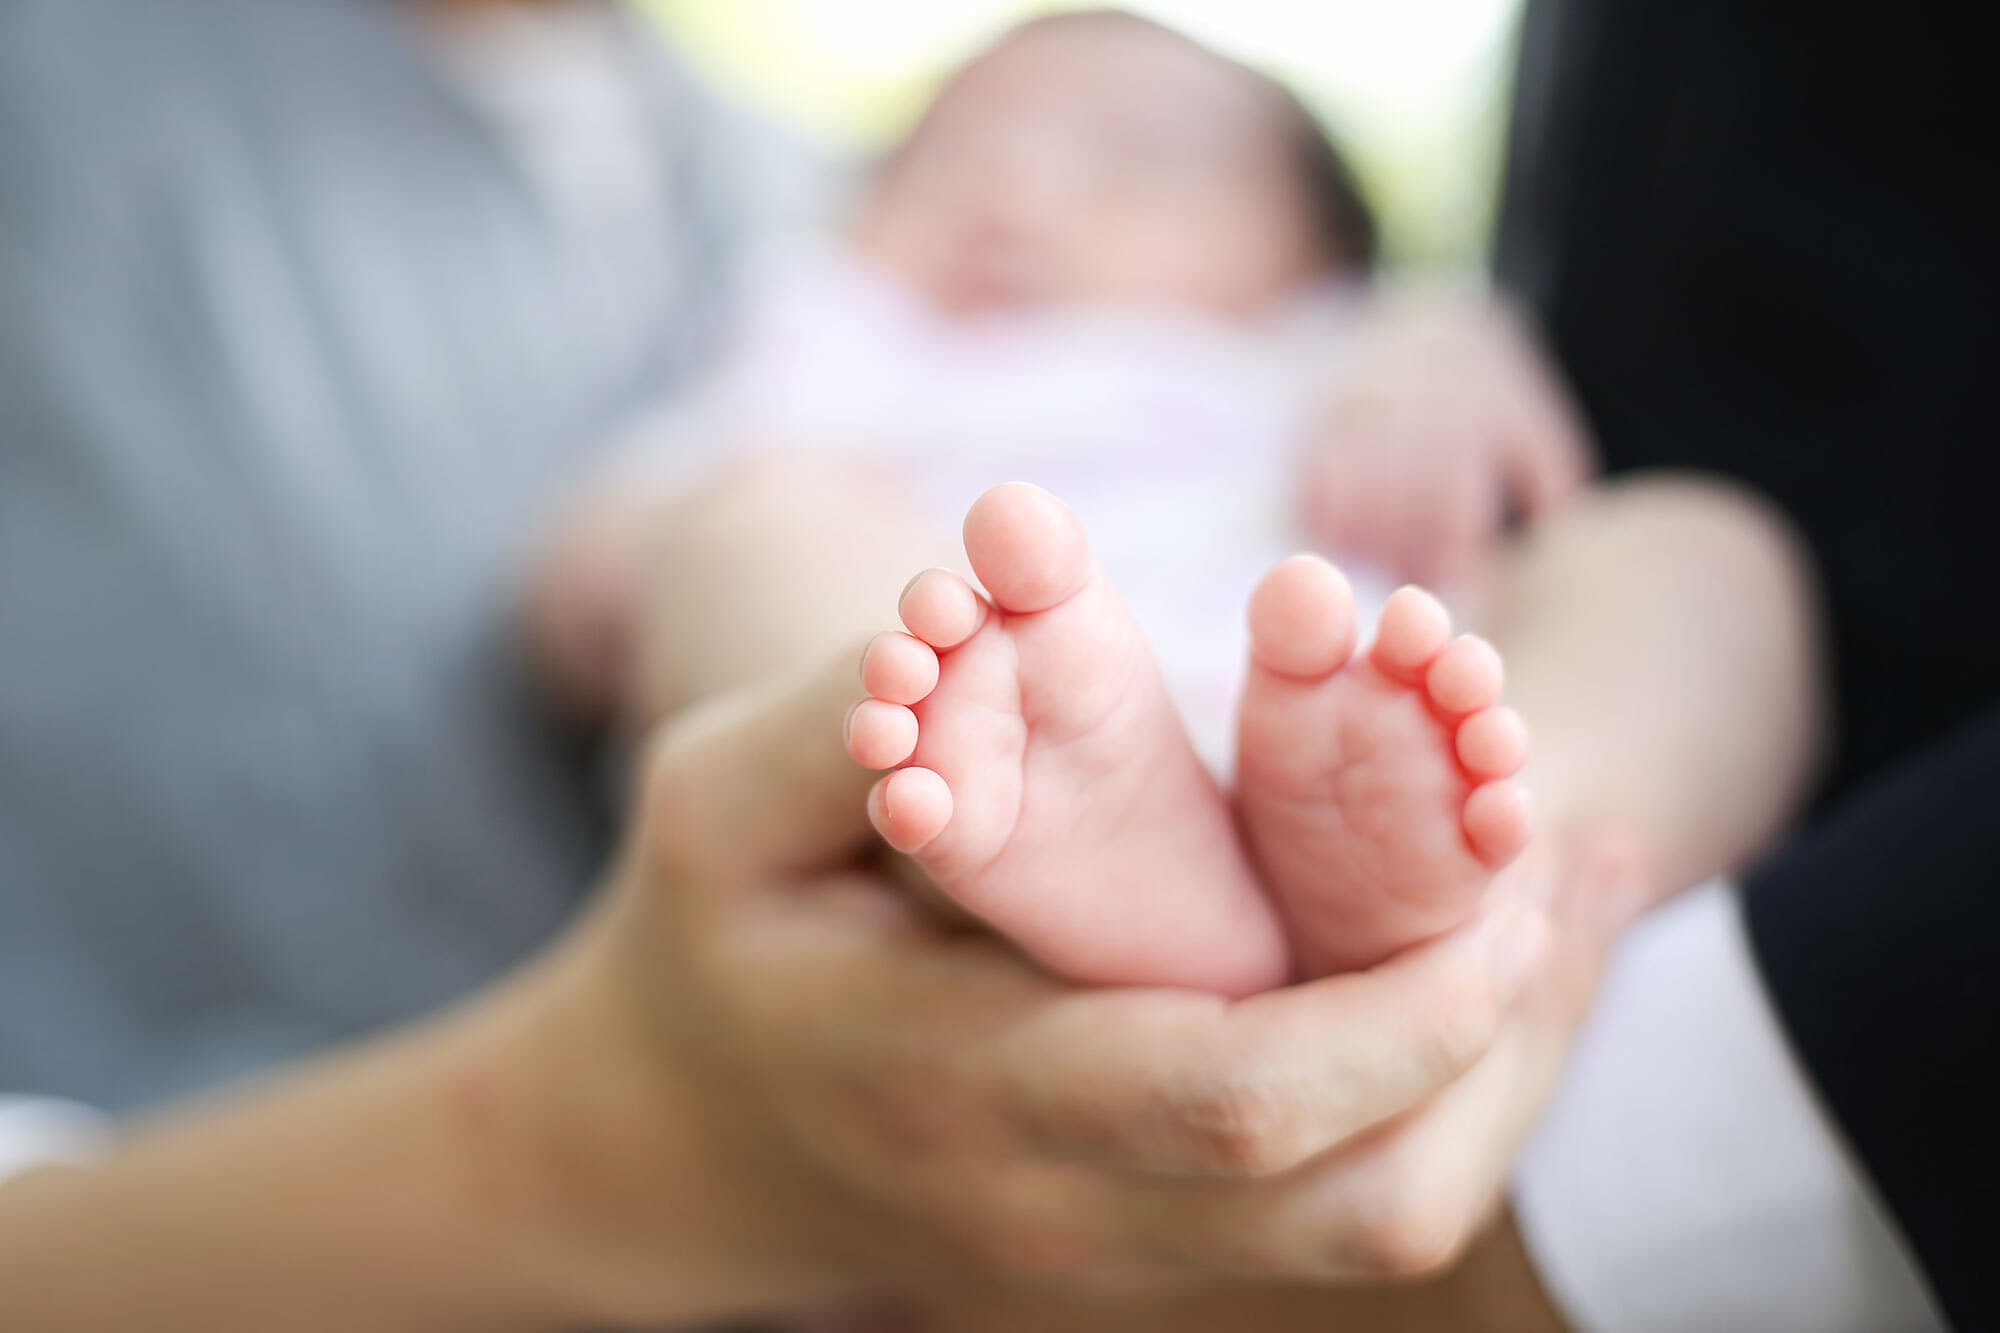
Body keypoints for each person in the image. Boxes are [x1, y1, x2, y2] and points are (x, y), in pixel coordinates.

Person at [533, 11, 1814, 1004]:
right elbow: (584, 586)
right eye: (942, 156)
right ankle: (1059, 854)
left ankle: (1502, 831)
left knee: (1704, 551)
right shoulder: (831, 345)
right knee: (767, 534)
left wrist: (1433, 349)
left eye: (1138, 164)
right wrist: (676, 541)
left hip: (1351, 738)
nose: (1014, 199)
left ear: (1319, 253)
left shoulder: (1337, 355)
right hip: (970, 776)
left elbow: (1516, 464)